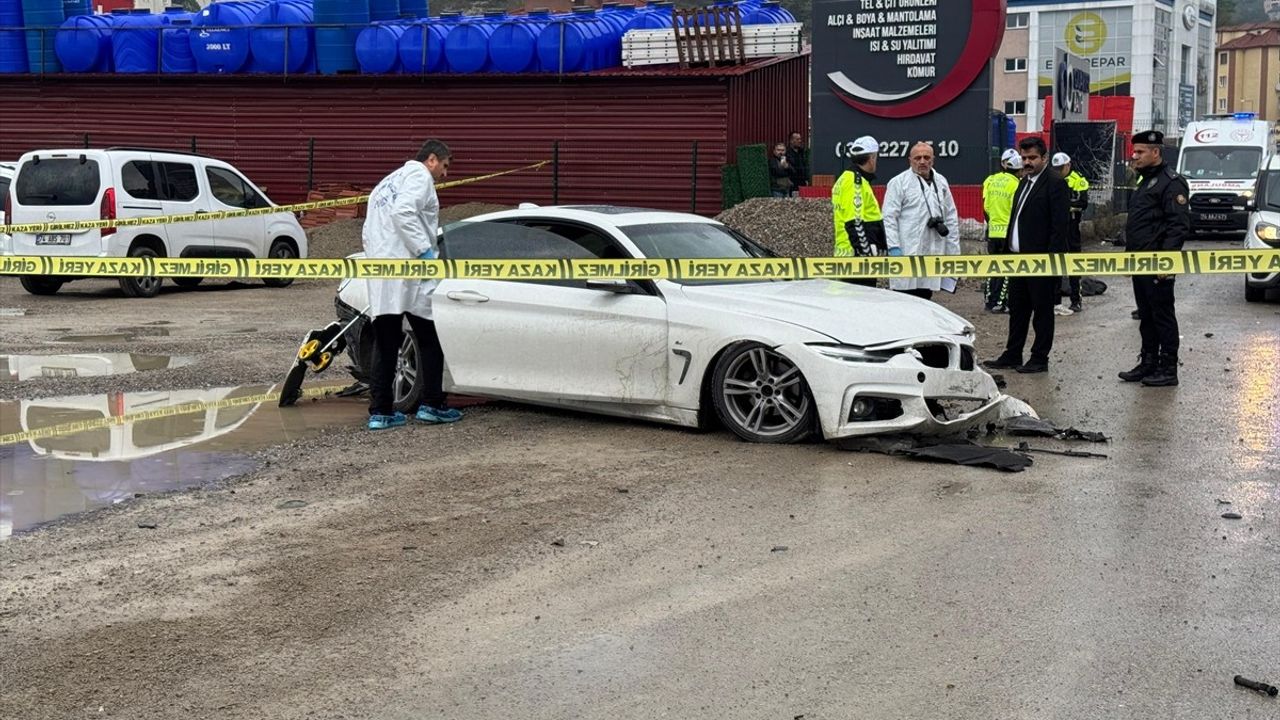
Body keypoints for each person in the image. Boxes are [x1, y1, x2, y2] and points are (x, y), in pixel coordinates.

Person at [362, 139, 462, 430]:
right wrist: (424, 251)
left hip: (383, 272)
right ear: (431, 160)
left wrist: (378, 260)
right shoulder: (419, 177)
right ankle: (432, 404)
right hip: (410, 270)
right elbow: (403, 212)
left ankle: (380, 412)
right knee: (430, 336)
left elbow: (369, 230)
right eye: (444, 166)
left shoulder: (385, 183)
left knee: (387, 341)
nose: (445, 174)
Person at [984, 136, 1070, 374]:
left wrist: (1051, 260)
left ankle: (1039, 357)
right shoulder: (1023, 182)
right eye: (1024, 158)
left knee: (1042, 311)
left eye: (1032, 158)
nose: (1027, 162)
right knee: (1018, 309)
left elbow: (1059, 226)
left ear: (1044, 158)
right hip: (1017, 261)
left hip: (1041, 261)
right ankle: (1012, 354)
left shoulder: (1055, 183)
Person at [1118, 130, 1191, 387]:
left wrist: (1166, 262)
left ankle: (1168, 367)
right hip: (1140, 261)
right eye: (1134, 151)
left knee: (1162, 314)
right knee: (1146, 314)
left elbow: (1178, 225)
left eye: (1140, 152)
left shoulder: (1171, 183)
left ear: (1156, 152)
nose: (1134, 156)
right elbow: (1140, 225)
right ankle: (1148, 361)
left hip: (1158, 262)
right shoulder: (1146, 180)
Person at [881, 141, 960, 299]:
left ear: (933, 160)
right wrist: (894, 247)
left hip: (932, 250)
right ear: (910, 160)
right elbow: (889, 217)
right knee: (904, 298)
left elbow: (950, 216)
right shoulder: (899, 182)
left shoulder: (941, 182)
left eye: (926, 157)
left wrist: (953, 251)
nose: (922, 161)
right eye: (917, 158)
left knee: (925, 295)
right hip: (907, 249)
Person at [832, 135, 884, 287]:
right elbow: (854, 222)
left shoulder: (845, 179)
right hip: (856, 257)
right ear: (872, 158)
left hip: (848, 254)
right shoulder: (855, 181)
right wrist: (865, 254)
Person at [982, 149, 1023, 313]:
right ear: (1019, 170)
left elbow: (986, 206)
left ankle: (989, 300)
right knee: (1008, 269)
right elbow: (1018, 210)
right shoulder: (1017, 184)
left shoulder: (991, 180)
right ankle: (1001, 302)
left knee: (993, 267)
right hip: (1008, 233)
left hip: (992, 231)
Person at [1052, 151, 1090, 314]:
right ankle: (1055, 301)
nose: (1058, 171)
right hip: (1055, 228)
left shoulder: (1078, 180)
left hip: (1072, 226)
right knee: (1055, 265)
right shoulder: (1052, 179)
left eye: (1061, 168)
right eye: (1056, 168)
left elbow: (1082, 202)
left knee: (1074, 264)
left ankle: (1076, 300)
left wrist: (1063, 205)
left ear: (1068, 166)